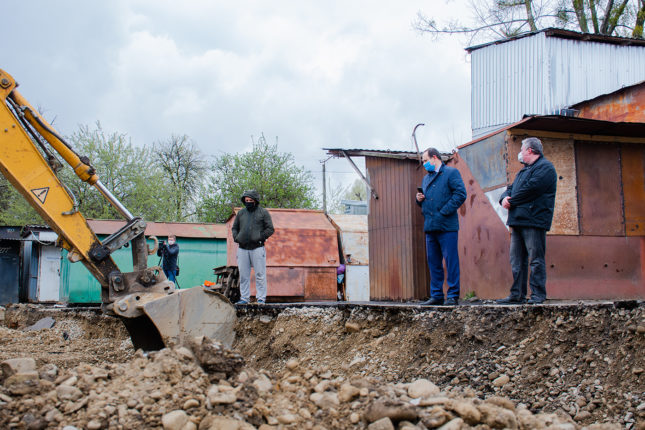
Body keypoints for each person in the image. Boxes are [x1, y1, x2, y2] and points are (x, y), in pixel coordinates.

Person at [496, 137, 557, 305]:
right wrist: (503, 199)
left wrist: (512, 201)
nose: (520, 153)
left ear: (530, 150)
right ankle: (517, 294)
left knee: (535, 259)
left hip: (534, 221)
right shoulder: (523, 171)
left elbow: (531, 189)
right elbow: (511, 188)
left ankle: (538, 295)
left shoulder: (545, 168)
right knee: (517, 260)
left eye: (522, 149)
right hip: (517, 221)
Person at [416, 148, 467, 306]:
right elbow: (428, 199)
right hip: (430, 226)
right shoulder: (426, 179)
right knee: (434, 262)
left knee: (450, 260)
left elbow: (460, 194)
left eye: (425, 160)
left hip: (447, 226)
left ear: (434, 157)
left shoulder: (451, 173)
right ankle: (436, 295)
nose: (424, 164)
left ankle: (452, 295)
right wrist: (419, 199)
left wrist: (444, 211)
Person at [232, 190, 275, 305]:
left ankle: (261, 298)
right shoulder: (241, 213)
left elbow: (270, 229)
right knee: (244, 275)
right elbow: (234, 228)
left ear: (255, 201)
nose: (248, 202)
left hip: (257, 248)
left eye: (251, 200)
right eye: (246, 200)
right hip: (242, 249)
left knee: (260, 274)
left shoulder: (263, 213)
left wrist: (260, 237)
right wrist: (236, 238)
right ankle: (244, 298)